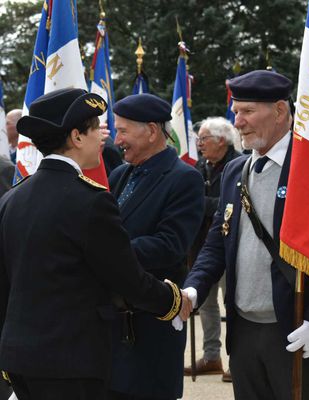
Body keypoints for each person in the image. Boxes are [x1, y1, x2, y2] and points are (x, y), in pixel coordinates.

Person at [0, 88, 191, 400]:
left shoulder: (13, 198)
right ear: (76, 137)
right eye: (94, 130)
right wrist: (171, 301)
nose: (105, 139)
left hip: (19, 358)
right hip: (71, 361)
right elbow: (126, 277)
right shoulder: (89, 200)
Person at [182, 70, 309, 400]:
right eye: (236, 111)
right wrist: (193, 289)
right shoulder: (235, 170)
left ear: (280, 111)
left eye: (247, 111)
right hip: (243, 330)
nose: (237, 121)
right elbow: (218, 240)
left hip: (296, 327)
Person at [107, 93, 204, 400]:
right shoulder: (121, 174)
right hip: (113, 322)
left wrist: (107, 254)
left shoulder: (183, 178)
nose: (116, 138)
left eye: (123, 130)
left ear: (150, 131)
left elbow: (170, 244)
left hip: (150, 323)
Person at [184, 117, 241, 382]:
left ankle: (237, 362)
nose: (199, 144)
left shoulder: (239, 165)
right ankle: (211, 357)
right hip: (202, 246)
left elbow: (229, 205)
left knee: (234, 304)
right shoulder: (199, 167)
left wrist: (202, 203)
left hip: (231, 247)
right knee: (206, 305)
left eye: (204, 139)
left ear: (221, 140)